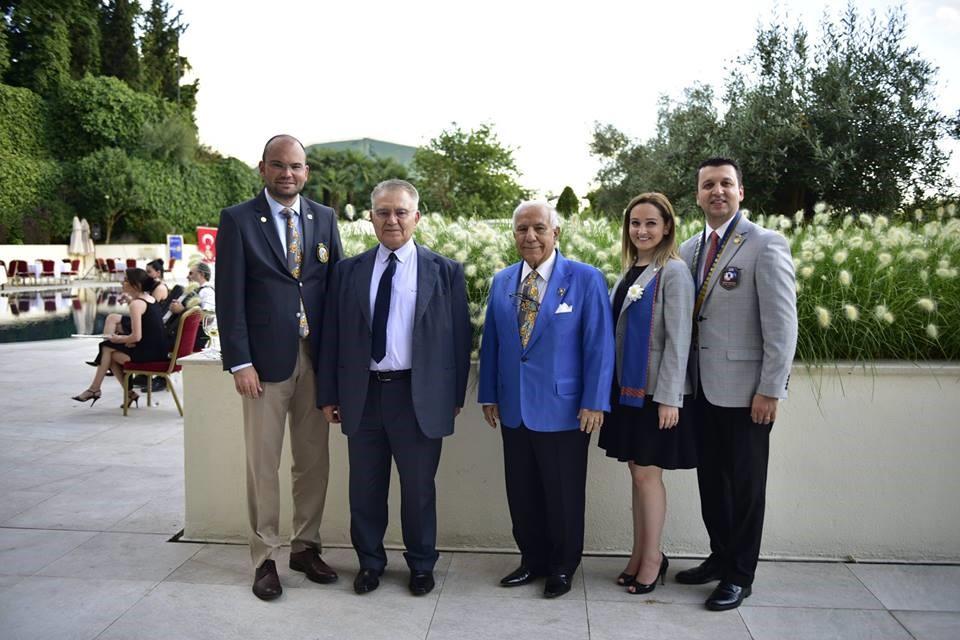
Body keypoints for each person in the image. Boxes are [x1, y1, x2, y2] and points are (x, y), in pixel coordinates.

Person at [318, 179, 471, 597]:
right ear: (371, 217)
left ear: (416, 217)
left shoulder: (446, 272)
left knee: (419, 490)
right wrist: (329, 394)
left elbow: (459, 340)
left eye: (401, 212)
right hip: (363, 396)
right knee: (364, 489)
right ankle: (370, 563)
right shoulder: (349, 272)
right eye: (383, 212)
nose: (392, 220)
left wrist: (453, 397)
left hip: (417, 397)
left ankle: (421, 565)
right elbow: (332, 336)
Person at [215, 134, 343, 601]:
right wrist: (240, 362)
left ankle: (305, 548)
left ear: (306, 171)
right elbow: (228, 297)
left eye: (295, 166)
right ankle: (264, 557)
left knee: (313, 463)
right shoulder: (238, 220)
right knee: (262, 465)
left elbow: (336, 292)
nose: (287, 173)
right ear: (262, 169)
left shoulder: (324, 218)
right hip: (263, 367)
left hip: (316, 359)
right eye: (278, 165)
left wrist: (337, 365)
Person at [676, 157, 798, 611]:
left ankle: (740, 575)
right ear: (698, 195)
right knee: (712, 482)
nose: (717, 191)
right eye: (708, 184)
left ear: (740, 192)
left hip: (747, 393)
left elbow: (783, 325)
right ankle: (720, 556)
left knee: (746, 486)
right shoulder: (688, 249)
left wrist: (772, 388)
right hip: (700, 389)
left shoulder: (765, 244)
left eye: (726, 183)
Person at [477, 201, 614, 598]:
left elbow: (599, 346)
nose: (530, 236)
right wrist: (489, 394)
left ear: (557, 233)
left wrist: (595, 401)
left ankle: (562, 566)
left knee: (563, 494)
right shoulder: (502, 280)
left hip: (566, 409)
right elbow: (494, 345)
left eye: (539, 228)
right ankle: (531, 560)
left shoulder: (585, 279)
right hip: (514, 407)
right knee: (521, 491)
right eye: (522, 229)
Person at [598, 192, 696, 594]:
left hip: (655, 394)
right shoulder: (628, 272)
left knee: (647, 477)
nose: (642, 230)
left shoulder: (673, 272)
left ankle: (653, 558)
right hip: (627, 393)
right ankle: (640, 553)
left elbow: (679, 340)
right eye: (635, 223)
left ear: (667, 227)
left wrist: (670, 397)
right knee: (637, 475)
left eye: (651, 223)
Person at [72, 268, 166, 408]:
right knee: (108, 353)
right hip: (157, 350)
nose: (122, 282)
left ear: (136, 285)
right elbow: (146, 332)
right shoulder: (149, 298)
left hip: (150, 354)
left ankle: (95, 389)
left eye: (126, 280)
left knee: (107, 349)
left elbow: (136, 336)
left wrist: (118, 339)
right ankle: (121, 393)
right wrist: (126, 340)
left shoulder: (136, 304)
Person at [166, 261, 214, 350]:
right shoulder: (194, 290)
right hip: (179, 334)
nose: (187, 277)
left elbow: (208, 316)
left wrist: (182, 310)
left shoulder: (207, 291)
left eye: (191, 273)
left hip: (192, 338)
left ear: (201, 274)